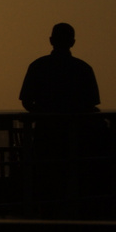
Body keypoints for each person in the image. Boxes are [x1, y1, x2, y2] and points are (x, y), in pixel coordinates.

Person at [19, 24, 102, 215]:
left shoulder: (38, 66)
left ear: (51, 41)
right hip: (77, 137)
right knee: (75, 181)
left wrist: (44, 114)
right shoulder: (83, 68)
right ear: (72, 42)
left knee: (46, 180)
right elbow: (91, 104)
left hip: (46, 134)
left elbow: (26, 101)